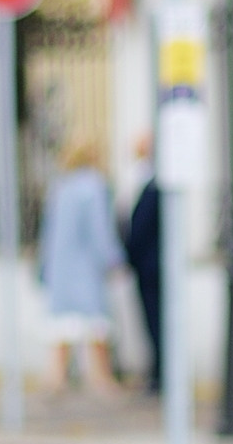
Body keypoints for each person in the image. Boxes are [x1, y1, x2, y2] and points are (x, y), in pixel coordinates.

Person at [36, 138, 124, 394]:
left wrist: (45, 269)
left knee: (62, 327)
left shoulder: (59, 188)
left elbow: (48, 234)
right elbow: (100, 230)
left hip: (60, 271)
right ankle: (100, 378)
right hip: (85, 269)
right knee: (95, 326)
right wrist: (112, 259)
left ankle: (55, 378)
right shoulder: (94, 187)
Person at [123, 131, 162, 393]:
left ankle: (161, 375)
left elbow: (142, 228)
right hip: (147, 266)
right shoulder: (147, 180)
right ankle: (158, 372)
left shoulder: (157, 184)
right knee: (152, 322)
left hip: (152, 267)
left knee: (157, 321)